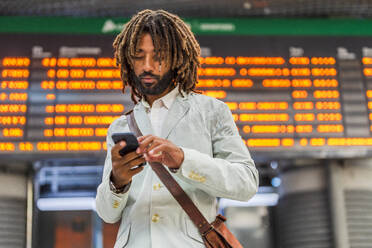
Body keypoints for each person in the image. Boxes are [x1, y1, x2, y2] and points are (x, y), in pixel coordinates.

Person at [95, 9, 259, 248]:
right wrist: (116, 182)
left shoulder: (212, 112)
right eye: (139, 56)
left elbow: (246, 183)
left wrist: (183, 160)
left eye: (158, 56)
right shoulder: (120, 126)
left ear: (177, 57)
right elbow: (107, 214)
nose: (147, 66)